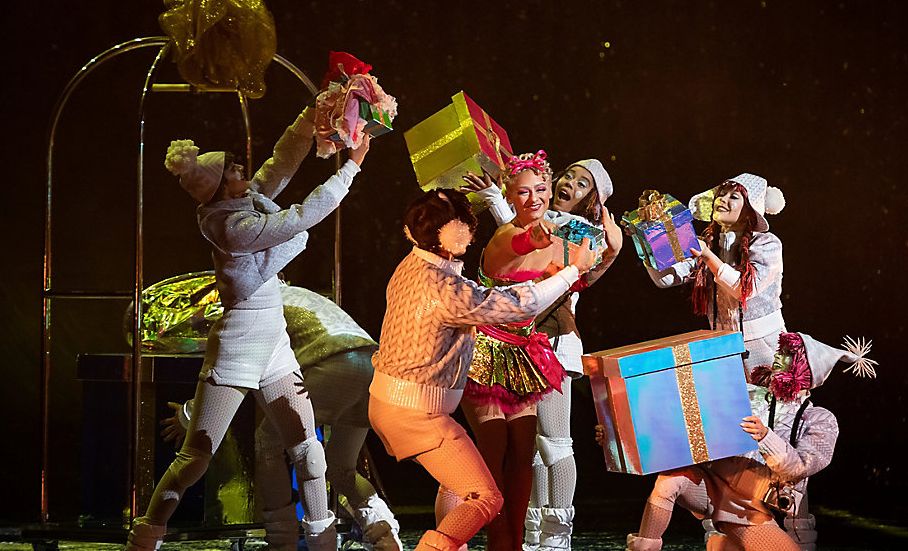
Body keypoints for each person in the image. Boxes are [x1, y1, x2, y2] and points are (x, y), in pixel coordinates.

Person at [125, 106, 370, 551]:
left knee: (308, 450)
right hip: (239, 345)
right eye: (234, 170)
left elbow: (281, 162)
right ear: (219, 187)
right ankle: (146, 535)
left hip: (273, 340)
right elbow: (297, 220)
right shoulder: (230, 226)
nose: (243, 171)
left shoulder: (247, 200)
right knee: (196, 456)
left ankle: (322, 540)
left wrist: (310, 117)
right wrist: (351, 168)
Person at [368, 189, 596, 551]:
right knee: (484, 496)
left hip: (393, 403)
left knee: (467, 482)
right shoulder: (444, 289)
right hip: (415, 413)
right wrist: (572, 271)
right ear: (455, 234)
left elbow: (487, 292)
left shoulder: (414, 265)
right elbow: (516, 306)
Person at [157, 278, 403, 551]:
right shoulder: (301, 294)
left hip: (333, 367)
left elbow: (233, 364)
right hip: (372, 370)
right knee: (341, 469)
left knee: (269, 443)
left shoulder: (259, 305)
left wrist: (188, 415)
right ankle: (382, 531)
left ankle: (281, 539)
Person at [463, 158, 621, 550]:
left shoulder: (582, 234)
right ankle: (531, 529)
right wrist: (495, 195)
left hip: (554, 346)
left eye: (582, 184)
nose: (570, 184)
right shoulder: (541, 223)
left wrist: (610, 252)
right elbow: (520, 237)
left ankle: (557, 534)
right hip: (519, 347)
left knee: (554, 443)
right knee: (529, 446)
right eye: (569, 176)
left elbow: (556, 269)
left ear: (593, 200)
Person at [619, 331, 875, 551]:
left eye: (788, 355)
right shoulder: (750, 393)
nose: (778, 356)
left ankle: (727, 545)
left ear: (804, 369)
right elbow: (685, 413)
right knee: (669, 481)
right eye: (780, 351)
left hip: (747, 507)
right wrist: (618, 430)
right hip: (710, 482)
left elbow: (800, 466)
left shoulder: (818, 419)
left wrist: (765, 436)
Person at [642, 173, 786, 375]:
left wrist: (708, 256)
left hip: (766, 346)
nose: (722, 199)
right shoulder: (707, 244)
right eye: (721, 194)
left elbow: (744, 289)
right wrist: (646, 240)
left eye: (733, 197)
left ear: (749, 211)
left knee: (772, 395)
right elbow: (665, 279)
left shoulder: (766, 243)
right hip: (723, 347)